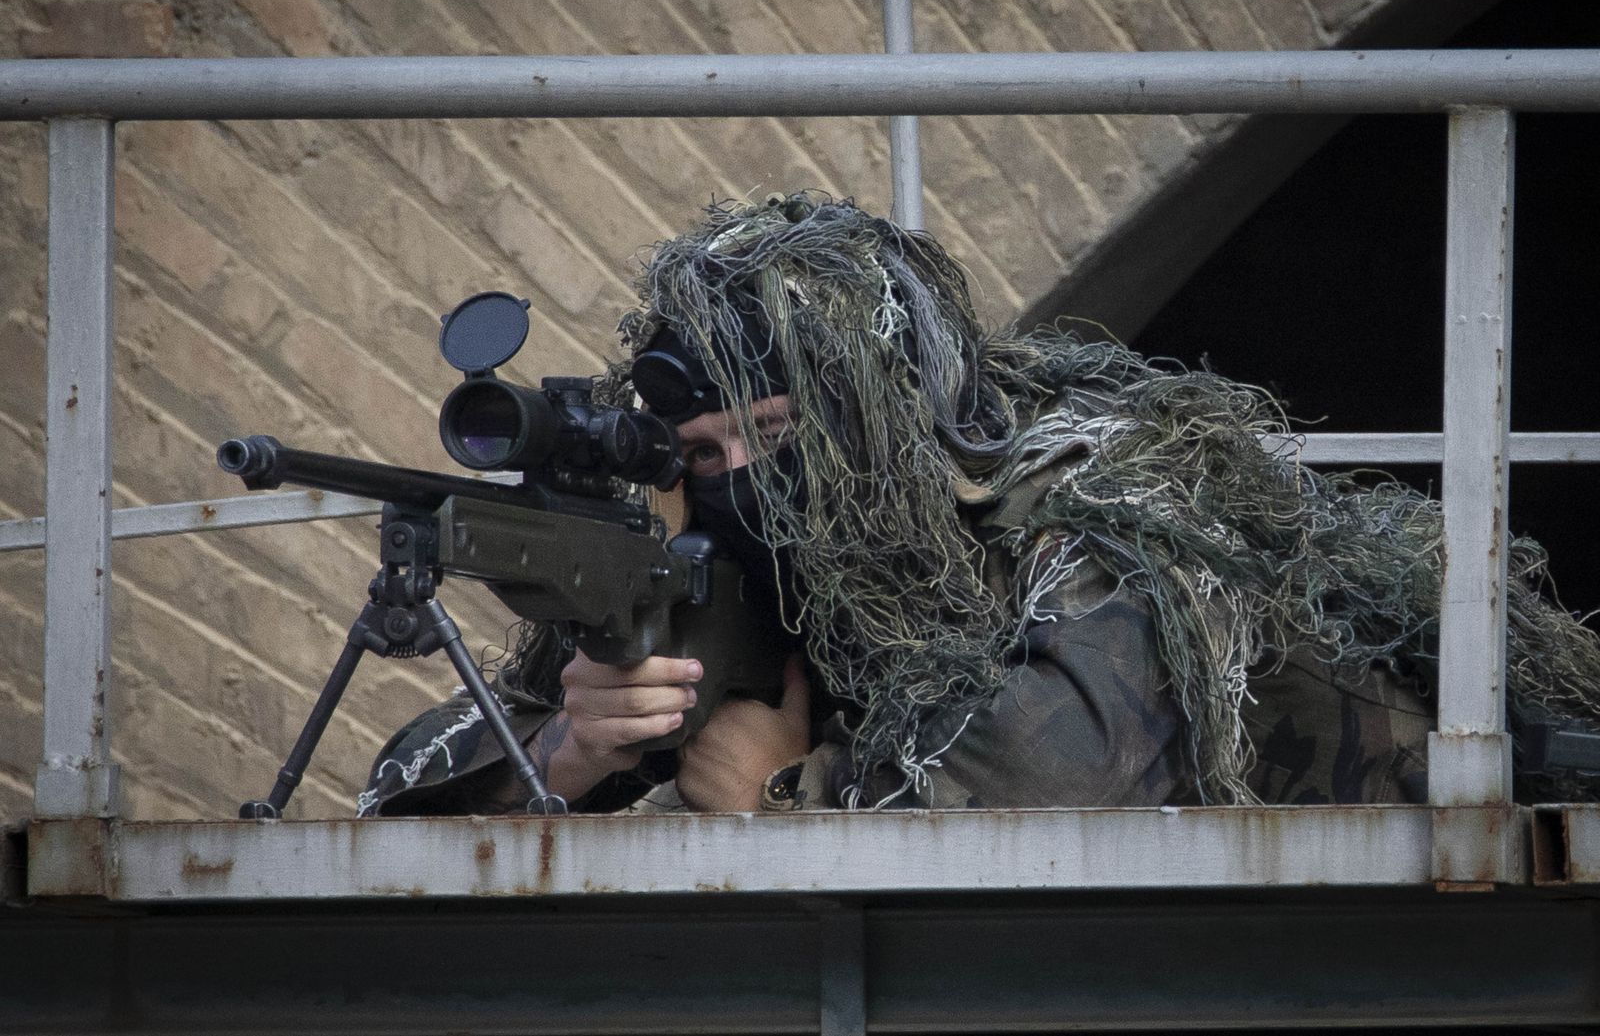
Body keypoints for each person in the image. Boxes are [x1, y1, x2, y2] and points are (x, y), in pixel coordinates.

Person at [358, 192, 1600, 817]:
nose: (736, 478)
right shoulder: (707, 562)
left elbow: (1062, 766)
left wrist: (788, 784)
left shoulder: (1096, 497)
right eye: (699, 450)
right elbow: (383, 804)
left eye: (778, 436)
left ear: (896, 431)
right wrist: (568, 757)